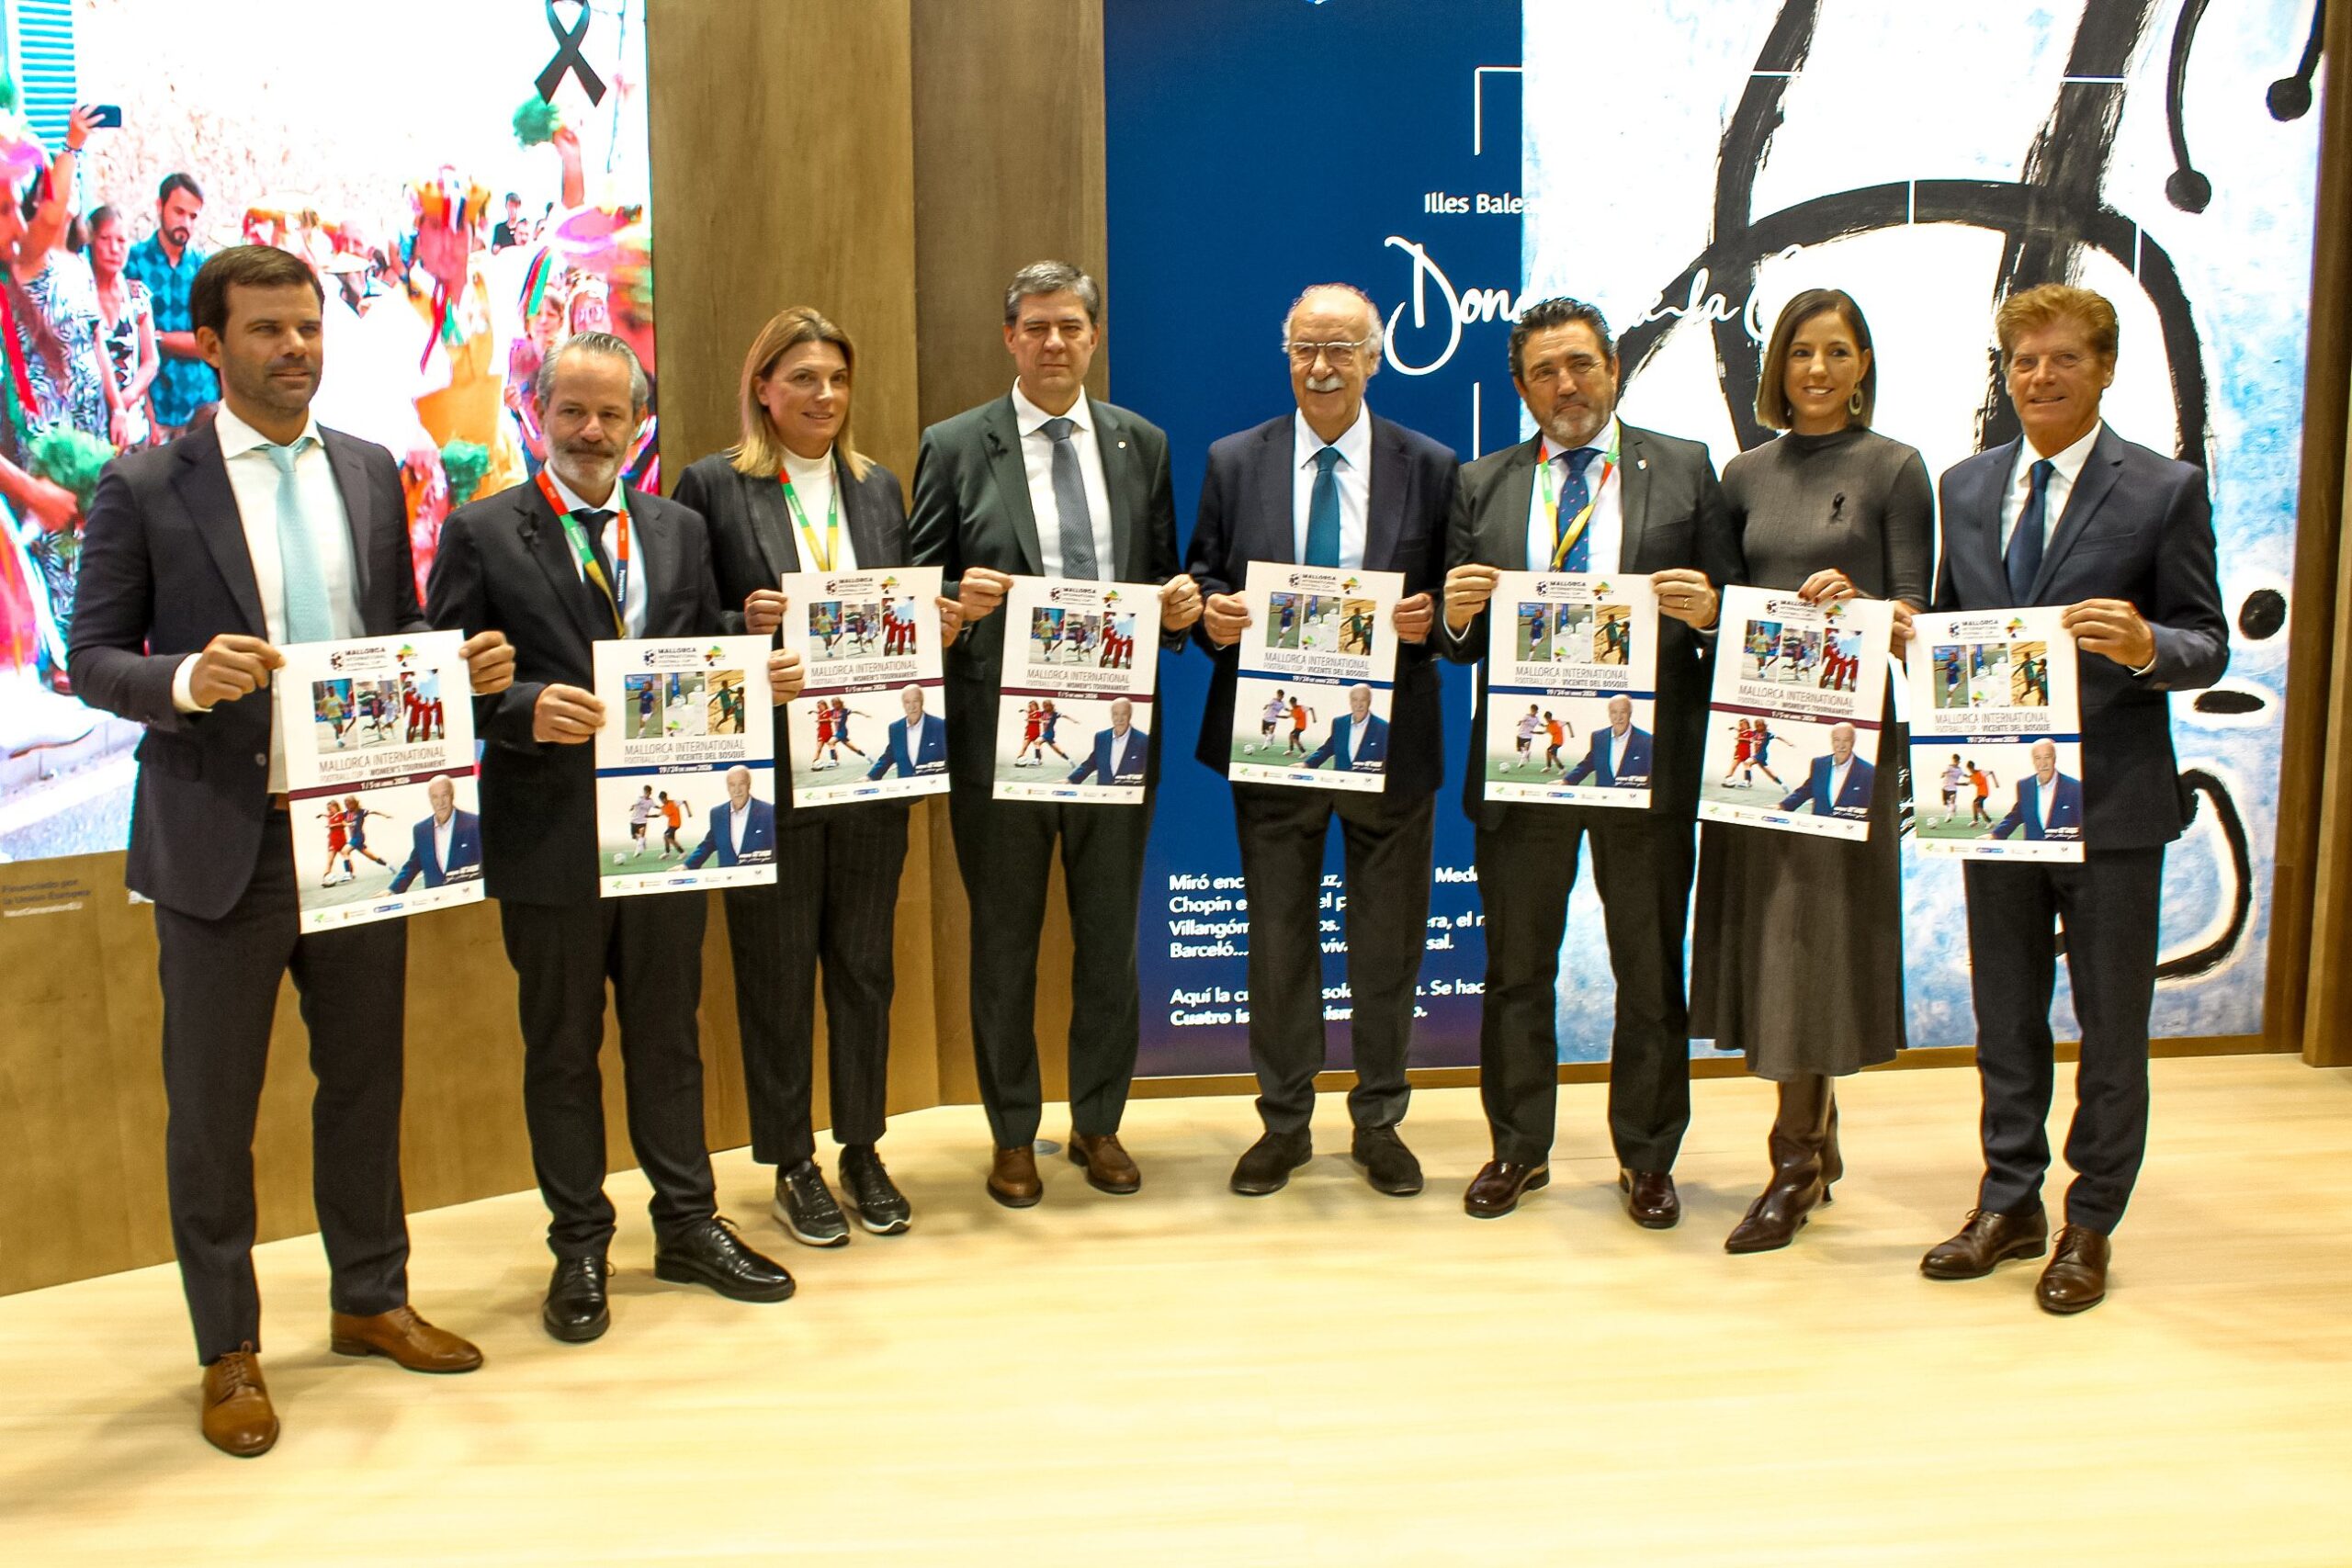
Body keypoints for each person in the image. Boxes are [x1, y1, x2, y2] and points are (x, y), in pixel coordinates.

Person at [67, 244, 515, 1456]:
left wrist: (452, 661)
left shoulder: (371, 472)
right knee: (213, 1113)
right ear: (211, 342)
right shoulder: (147, 480)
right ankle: (230, 1347)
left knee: (367, 1083)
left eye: (308, 326)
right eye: (266, 328)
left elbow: (392, 634)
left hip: (364, 827)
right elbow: (91, 653)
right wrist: (182, 678)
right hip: (227, 842)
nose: (295, 348)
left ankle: (371, 1294)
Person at [425, 330, 799, 1342]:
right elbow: (445, 685)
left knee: (672, 1040)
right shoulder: (481, 531)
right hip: (547, 838)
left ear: (641, 426)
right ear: (536, 414)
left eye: (612, 414)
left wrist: (749, 668)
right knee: (561, 1049)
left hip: (668, 835)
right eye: (573, 412)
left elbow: (695, 648)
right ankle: (579, 1245)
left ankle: (686, 1223)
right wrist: (523, 709)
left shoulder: (675, 528)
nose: (593, 431)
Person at [1919, 284, 2227, 1313]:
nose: (2039, 378)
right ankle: (2009, 1202)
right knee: (2005, 1016)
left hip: (2113, 803)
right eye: (2022, 362)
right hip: (1991, 795)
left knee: (2109, 1025)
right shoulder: (1963, 488)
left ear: (2103, 368)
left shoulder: (2163, 489)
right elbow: (1949, 627)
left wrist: (2148, 648)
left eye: (2059, 359)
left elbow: (2205, 639)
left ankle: (2090, 1220)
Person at [908, 259, 1202, 1206]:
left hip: (1114, 732)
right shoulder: (955, 445)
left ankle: (1099, 1124)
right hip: (1001, 737)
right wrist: (953, 601)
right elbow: (915, 596)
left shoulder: (1141, 445)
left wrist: (1184, 601)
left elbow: (1160, 575)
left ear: (1093, 335)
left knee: (1108, 939)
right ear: (1009, 337)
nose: (1052, 343)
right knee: (1005, 941)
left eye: (1070, 326)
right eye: (1034, 327)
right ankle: (1010, 1134)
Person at [1440, 295, 1736, 1228]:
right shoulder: (1480, 484)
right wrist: (1453, 611)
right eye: (1543, 371)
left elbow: (1734, 616)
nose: (1564, 385)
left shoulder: (1684, 468)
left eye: (1579, 364)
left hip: (1642, 763)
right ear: (1520, 386)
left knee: (1648, 967)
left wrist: (1713, 611)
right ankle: (1516, 1149)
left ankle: (1648, 1158)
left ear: (1612, 367)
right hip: (1523, 766)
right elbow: (1454, 644)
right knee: (1515, 968)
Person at [673, 306, 961, 1246]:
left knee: (866, 968)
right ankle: (791, 1158)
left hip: (872, 766)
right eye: (802, 378)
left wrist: (939, 625)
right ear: (763, 387)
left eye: (836, 379)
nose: (823, 396)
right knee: (775, 972)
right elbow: (678, 630)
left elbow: (899, 609)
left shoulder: (878, 488)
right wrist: (735, 628)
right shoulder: (713, 486)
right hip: (770, 773)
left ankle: (863, 1145)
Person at [1189, 285, 1453, 1198]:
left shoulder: (1431, 464)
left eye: (1341, 348)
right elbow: (1202, 573)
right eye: (1305, 347)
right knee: (1278, 940)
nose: (1322, 367)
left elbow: (1457, 606)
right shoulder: (1234, 460)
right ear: (1285, 353)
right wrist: (1211, 615)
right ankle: (1284, 1122)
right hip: (1273, 742)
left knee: (1388, 946)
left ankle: (1378, 1120)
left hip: (1392, 744)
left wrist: (1433, 620)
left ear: (1374, 357)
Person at [1687, 288, 1930, 1253]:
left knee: (1814, 933)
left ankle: (1792, 1159)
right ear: (1776, 367)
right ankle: (1815, 1145)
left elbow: (1916, 615)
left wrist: (1865, 604)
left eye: (1835, 352)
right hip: (1753, 738)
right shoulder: (1741, 474)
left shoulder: (1896, 470)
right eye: (1799, 353)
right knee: (1772, 937)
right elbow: (1718, 606)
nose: (1817, 370)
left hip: (1844, 743)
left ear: (1862, 364)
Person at [122, 173, 218, 441]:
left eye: (193, 216)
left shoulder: (204, 268)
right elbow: (128, 343)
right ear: (159, 206)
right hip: (154, 410)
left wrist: (156, 338)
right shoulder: (134, 263)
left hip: (202, 406)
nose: (185, 222)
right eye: (179, 212)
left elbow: (209, 342)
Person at [89, 206, 159, 450]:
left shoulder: (136, 295)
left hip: (133, 423)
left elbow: (150, 361)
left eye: (121, 240)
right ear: (91, 241)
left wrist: (126, 399)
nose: (114, 248)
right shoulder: (81, 297)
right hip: (92, 424)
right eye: (105, 239)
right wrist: (114, 406)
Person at [388, 773, 481, 890]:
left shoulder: (474, 824)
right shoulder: (421, 830)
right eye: (435, 797)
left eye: (444, 795)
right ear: (430, 799)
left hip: (469, 903)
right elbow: (414, 865)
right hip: (436, 904)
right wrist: (392, 890)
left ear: (452, 795)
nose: (440, 802)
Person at [1988, 739, 2084, 841]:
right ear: (2033, 761)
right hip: (2033, 854)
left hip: (2064, 854)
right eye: (2038, 758)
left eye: (2047, 757)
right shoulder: (2024, 786)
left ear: (2054, 758)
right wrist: (1995, 835)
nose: (2043, 764)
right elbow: (2016, 815)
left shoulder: (2075, 787)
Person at [684, 764, 776, 868]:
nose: (737, 790)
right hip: (728, 881)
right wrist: (687, 866)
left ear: (749, 784)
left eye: (741, 783)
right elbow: (708, 845)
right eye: (732, 785)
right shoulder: (717, 814)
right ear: (727, 787)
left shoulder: (769, 812)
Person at [1778, 722, 1875, 818]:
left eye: (1846, 740)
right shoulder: (1819, 764)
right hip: (1817, 830)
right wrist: (1783, 806)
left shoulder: (1868, 772)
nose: (1841, 745)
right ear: (1832, 741)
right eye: (1837, 740)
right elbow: (1806, 791)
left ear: (1853, 741)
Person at [1562, 694, 1654, 790]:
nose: (1618, 717)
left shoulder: (1647, 741)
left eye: (1623, 712)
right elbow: (1588, 764)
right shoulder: (1598, 738)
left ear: (1630, 713)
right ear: (1609, 714)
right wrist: (1567, 781)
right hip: (1603, 801)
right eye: (1614, 712)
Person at [1300, 681, 1392, 773]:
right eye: (1355, 699)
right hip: (1340, 783)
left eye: (1363, 699)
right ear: (1350, 701)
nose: (1358, 704)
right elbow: (1328, 748)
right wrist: (1307, 764)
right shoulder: (1339, 723)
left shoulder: (1383, 728)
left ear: (1369, 701)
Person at [865, 682, 947, 779]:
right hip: (906, 790)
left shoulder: (940, 726)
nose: (911, 707)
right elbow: (888, 757)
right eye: (907, 702)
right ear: (903, 704)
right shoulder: (895, 729)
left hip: (934, 791)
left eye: (915, 701)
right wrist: (870, 777)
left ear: (922, 701)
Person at [1068, 695, 1148, 786]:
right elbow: (1091, 763)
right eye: (1115, 714)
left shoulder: (1144, 740)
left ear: (1130, 714)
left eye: (1124, 713)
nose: (1119, 719)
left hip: (1129, 798)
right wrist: (1070, 780)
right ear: (1111, 715)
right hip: (1103, 797)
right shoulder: (1101, 738)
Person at [659, 790, 690, 855]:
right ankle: (667, 852)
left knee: (669, 837)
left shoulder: (674, 802)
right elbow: (658, 815)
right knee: (666, 836)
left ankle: (682, 852)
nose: (662, 802)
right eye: (661, 800)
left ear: (665, 798)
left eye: (662, 800)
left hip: (676, 824)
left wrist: (689, 812)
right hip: (670, 825)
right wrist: (648, 816)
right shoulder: (664, 807)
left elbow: (685, 802)